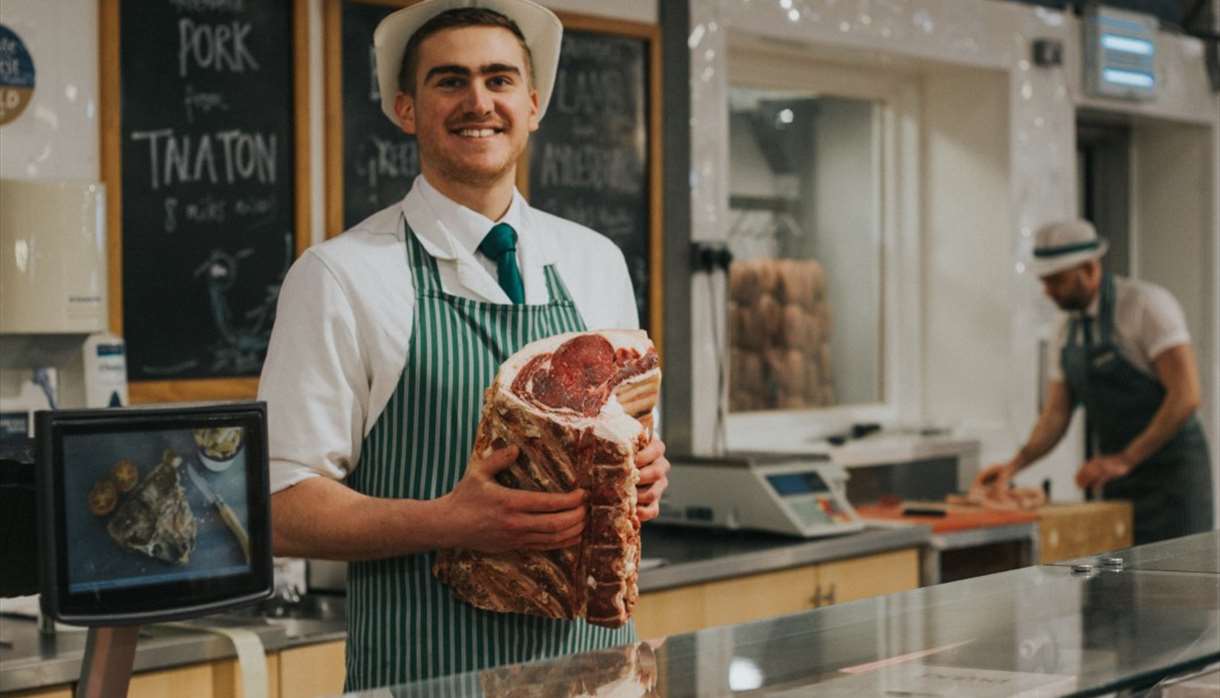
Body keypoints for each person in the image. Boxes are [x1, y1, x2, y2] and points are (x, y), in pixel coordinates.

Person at [257, 0, 670, 689]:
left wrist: (645, 474)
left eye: (499, 80)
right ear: (405, 109)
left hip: (597, 671)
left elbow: (629, 440)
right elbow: (277, 508)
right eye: (449, 81)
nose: (478, 101)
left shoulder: (596, 260)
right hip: (428, 673)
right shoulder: (341, 275)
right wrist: (448, 521)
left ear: (533, 105)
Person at [973, 220, 1213, 545]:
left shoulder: (1146, 306)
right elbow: (1056, 414)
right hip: (1117, 481)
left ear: (1088, 268)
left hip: (1173, 478)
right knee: (1121, 585)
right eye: (1044, 281)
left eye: (1056, 280)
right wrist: (1014, 465)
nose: (1048, 291)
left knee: (1176, 584)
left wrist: (1126, 459)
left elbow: (1186, 396)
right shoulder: (1064, 329)